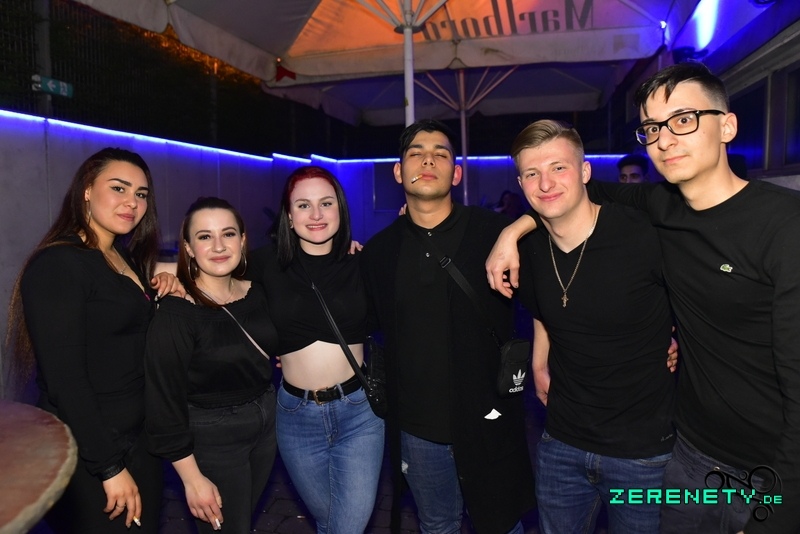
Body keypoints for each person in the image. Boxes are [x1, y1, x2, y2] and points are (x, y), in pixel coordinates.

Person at [486, 62, 800, 534]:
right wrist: (512, 230)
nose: (665, 139)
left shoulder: (785, 225)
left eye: (684, 119)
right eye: (653, 128)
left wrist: (778, 510)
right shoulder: (661, 208)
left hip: (765, 468)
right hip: (690, 456)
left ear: (728, 126)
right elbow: (565, 195)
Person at [361, 119, 535, 533]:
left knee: (502, 525)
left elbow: (551, 282)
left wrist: (521, 225)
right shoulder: (379, 252)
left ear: (456, 174)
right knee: (437, 525)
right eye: (416, 153)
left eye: (440, 154)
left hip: (490, 416)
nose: (428, 161)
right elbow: (363, 322)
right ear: (398, 171)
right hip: (417, 429)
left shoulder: (495, 233)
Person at [510, 119, 675, 533]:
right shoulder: (529, 249)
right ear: (521, 183)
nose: (545, 183)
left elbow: (698, 296)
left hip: (641, 453)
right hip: (561, 442)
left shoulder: (640, 232)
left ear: (585, 172)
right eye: (532, 173)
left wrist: (681, 340)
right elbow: (543, 309)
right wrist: (539, 362)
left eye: (559, 167)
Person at [5, 147, 180, 533]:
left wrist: (162, 285)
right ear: (86, 189)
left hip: (138, 439)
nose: (132, 202)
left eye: (141, 194)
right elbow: (66, 382)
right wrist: (109, 467)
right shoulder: (59, 264)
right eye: (118, 188)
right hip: (93, 448)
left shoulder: (120, 256)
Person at [247, 166, 385, 533]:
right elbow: (212, 276)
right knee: (328, 523)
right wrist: (167, 277)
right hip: (296, 416)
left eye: (326, 203)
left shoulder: (363, 262)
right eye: (303, 205)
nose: (316, 214)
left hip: (359, 412)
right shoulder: (266, 263)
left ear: (340, 209)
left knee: (347, 526)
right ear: (289, 216)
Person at [145, 197, 278, 533]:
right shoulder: (178, 312)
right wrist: (192, 479)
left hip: (268, 421)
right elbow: (163, 401)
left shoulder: (258, 291)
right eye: (204, 237)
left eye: (228, 234)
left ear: (243, 240)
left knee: (241, 521)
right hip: (213, 436)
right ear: (188, 248)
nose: (219, 246)